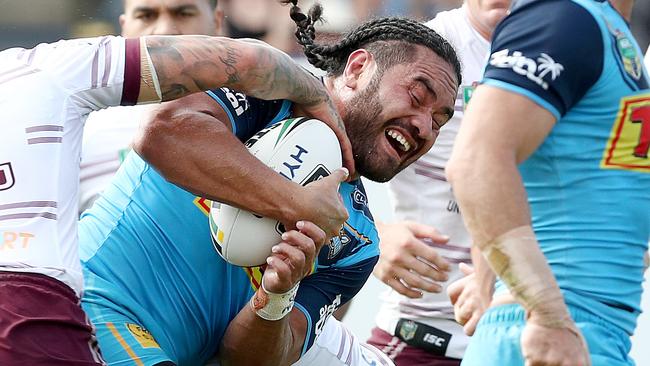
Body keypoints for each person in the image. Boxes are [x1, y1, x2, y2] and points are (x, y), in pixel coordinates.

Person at [78, 0, 462, 364]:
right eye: (416, 95)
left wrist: (275, 297)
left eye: (439, 122)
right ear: (358, 68)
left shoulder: (358, 242)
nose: (424, 125)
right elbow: (162, 133)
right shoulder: (269, 91)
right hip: (89, 304)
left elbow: (249, 360)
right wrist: (296, 204)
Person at [0, 23, 354, 365]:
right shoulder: (49, 68)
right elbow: (252, 62)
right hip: (36, 306)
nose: (162, 27)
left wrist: (277, 296)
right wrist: (316, 95)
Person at [445, 0, 649, 364]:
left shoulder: (606, 30)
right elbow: (475, 163)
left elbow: (538, 174)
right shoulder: (565, 17)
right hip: (555, 331)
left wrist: (489, 274)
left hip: (590, 331)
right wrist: (545, 312)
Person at [367, 1, 510, 365]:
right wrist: (370, 233)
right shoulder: (425, 49)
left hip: (531, 339)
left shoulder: (575, 56)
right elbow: (321, 148)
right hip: (423, 337)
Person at [80, 0, 224, 213]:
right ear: (124, 26)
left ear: (217, 21)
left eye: (183, 13)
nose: (164, 30)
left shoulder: (265, 113)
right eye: (146, 15)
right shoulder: (83, 131)